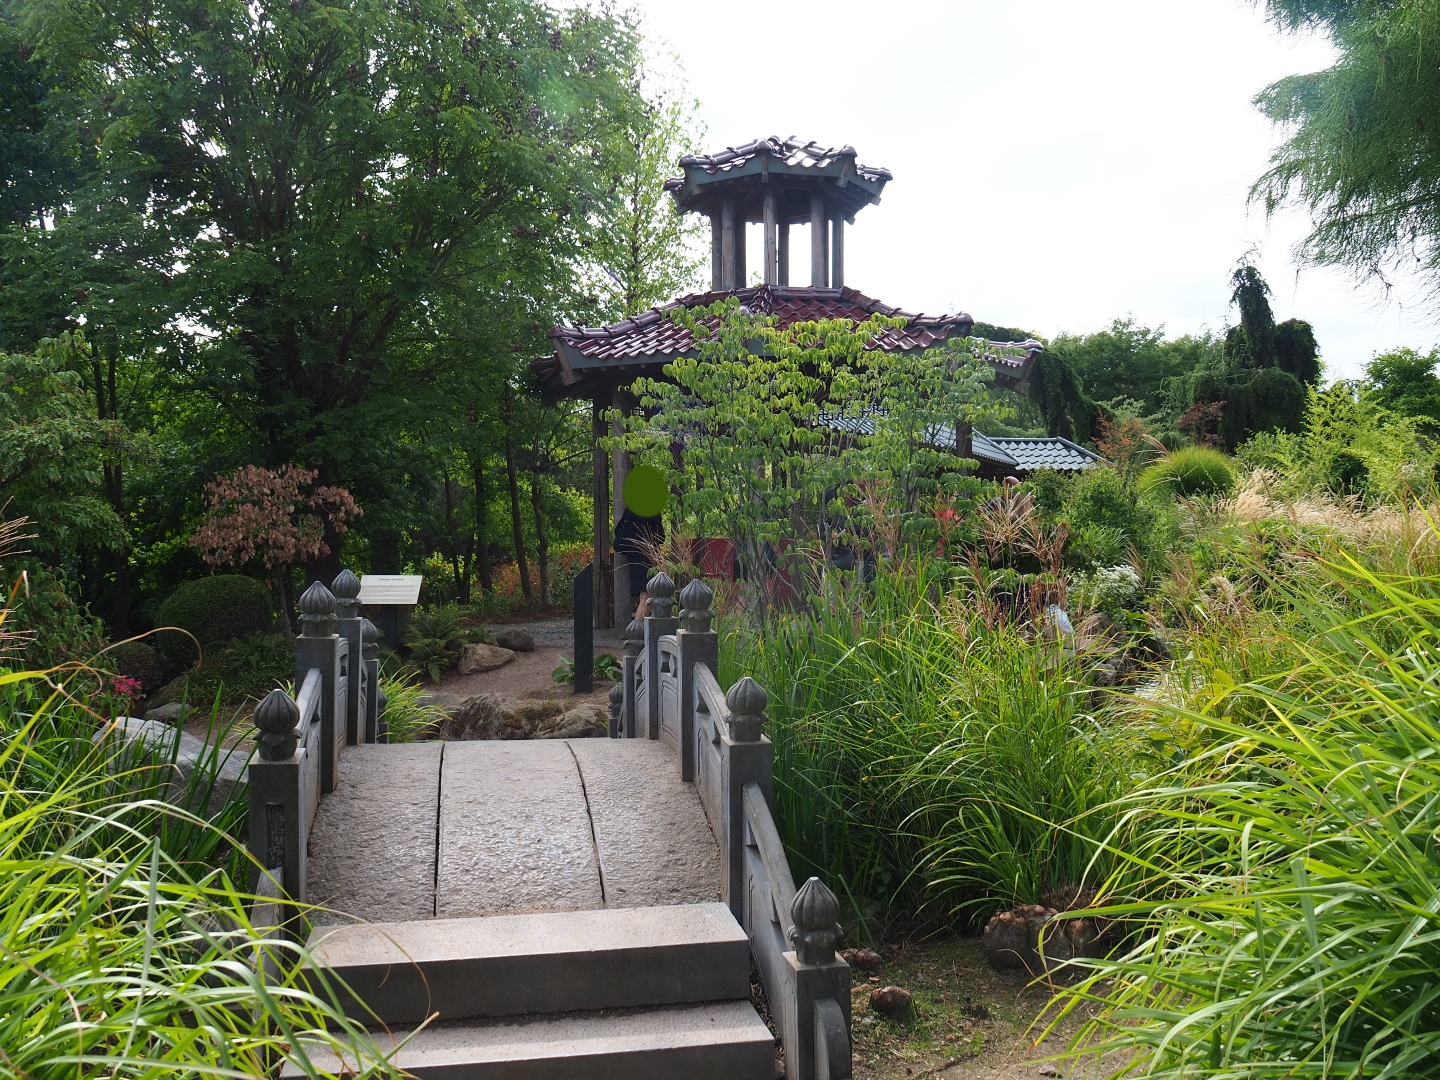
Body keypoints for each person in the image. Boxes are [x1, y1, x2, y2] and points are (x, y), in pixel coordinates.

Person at [614, 507, 665, 619]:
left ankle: (638, 628)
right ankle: (635, 631)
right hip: (647, 557)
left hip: (633, 556)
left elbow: (617, 530)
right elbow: (661, 537)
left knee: (643, 596)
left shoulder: (630, 509)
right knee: (646, 597)